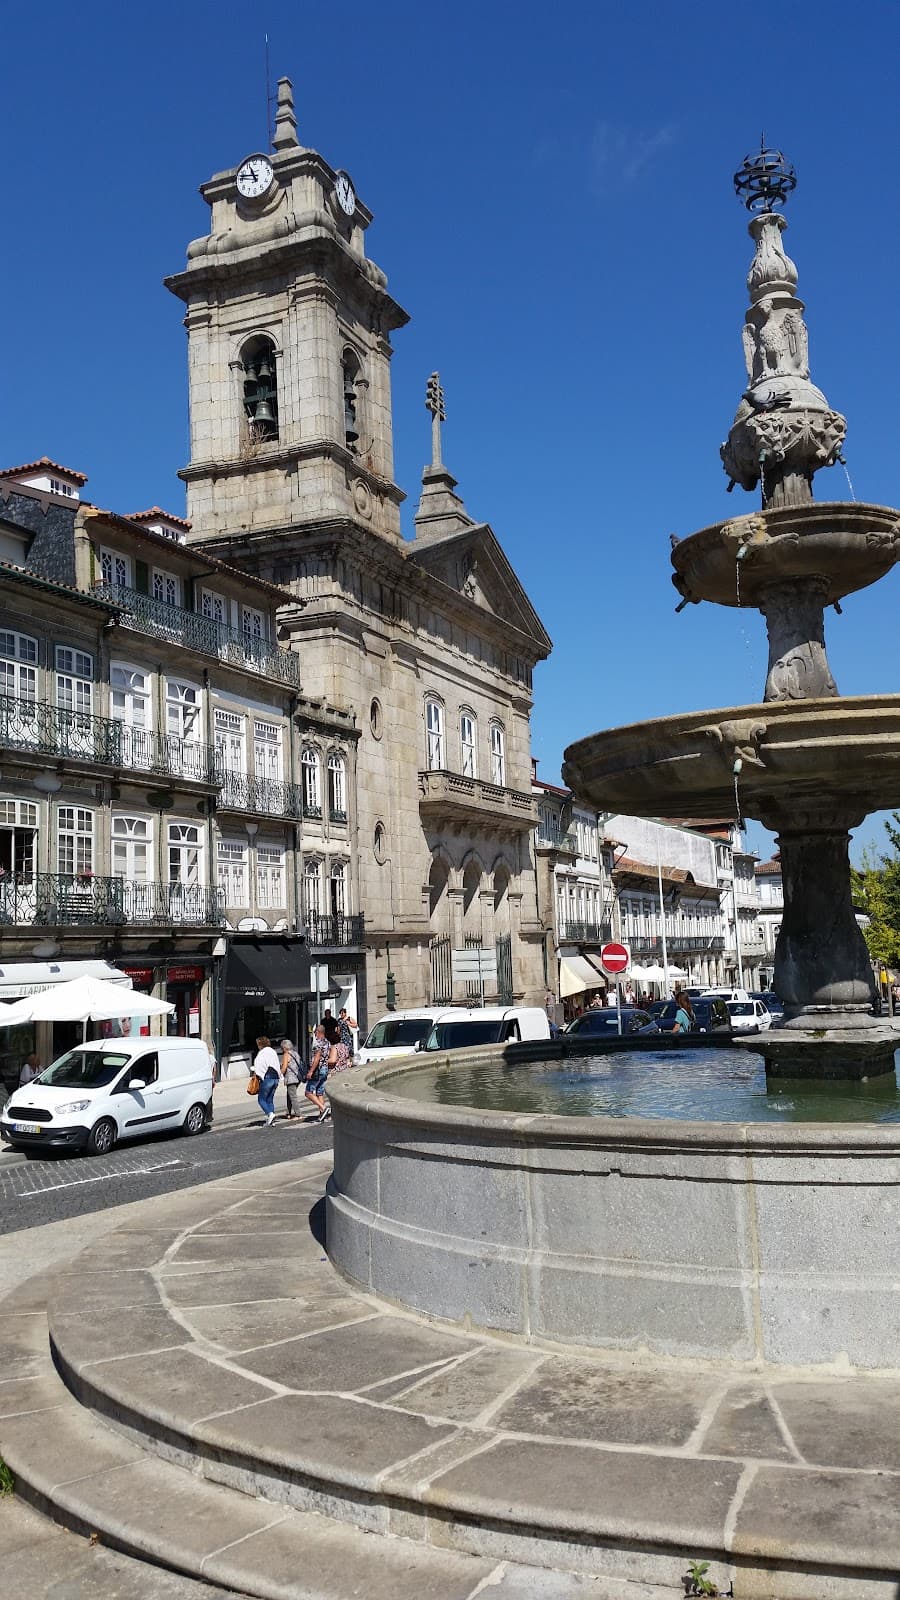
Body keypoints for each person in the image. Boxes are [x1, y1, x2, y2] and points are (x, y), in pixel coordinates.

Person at [305, 1023, 330, 1121]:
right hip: (325, 1069)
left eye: (315, 1032)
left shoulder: (318, 1043)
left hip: (317, 1070)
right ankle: (322, 1115)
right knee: (319, 1092)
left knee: (308, 1092)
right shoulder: (327, 1042)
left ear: (319, 1032)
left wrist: (311, 1071)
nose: (315, 1035)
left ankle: (323, 1108)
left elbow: (317, 1058)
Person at [253, 1035, 281, 1126]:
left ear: (260, 1044)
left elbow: (259, 1066)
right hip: (276, 1077)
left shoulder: (261, 1053)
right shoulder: (273, 1051)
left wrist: (259, 1075)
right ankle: (271, 1119)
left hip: (267, 1077)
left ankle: (270, 1114)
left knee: (261, 1099)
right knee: (270, 1099)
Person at [280, 1037, 305, 1120]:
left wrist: (279, 1074)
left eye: (282, 1048)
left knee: (293, 1097)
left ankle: (298, 1114)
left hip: (290, 1078)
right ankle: (288, 1112)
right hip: (297, 1077)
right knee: (289, 1095)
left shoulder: (286, 1055)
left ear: (284, 1047)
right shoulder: (295, 1053)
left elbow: (284, 1068)